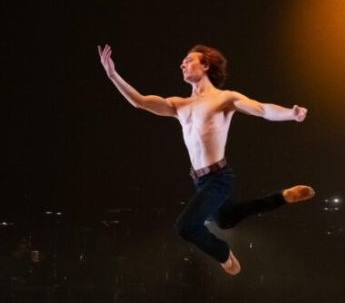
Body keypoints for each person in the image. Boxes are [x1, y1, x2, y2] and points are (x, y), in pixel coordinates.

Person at [97, 43, 315, 275]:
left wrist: (291, 113)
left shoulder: (224, 98)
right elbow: (140, 101)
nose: (182, 64)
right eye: (182, 62)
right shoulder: (178, 105)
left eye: (188, 60)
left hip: (219, 178)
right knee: (226, 220)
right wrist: (113, 75)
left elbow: (262, 109)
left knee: (185, 227)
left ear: (206, 65)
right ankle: (282, 197)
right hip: (200, 180)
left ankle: (224, 254)